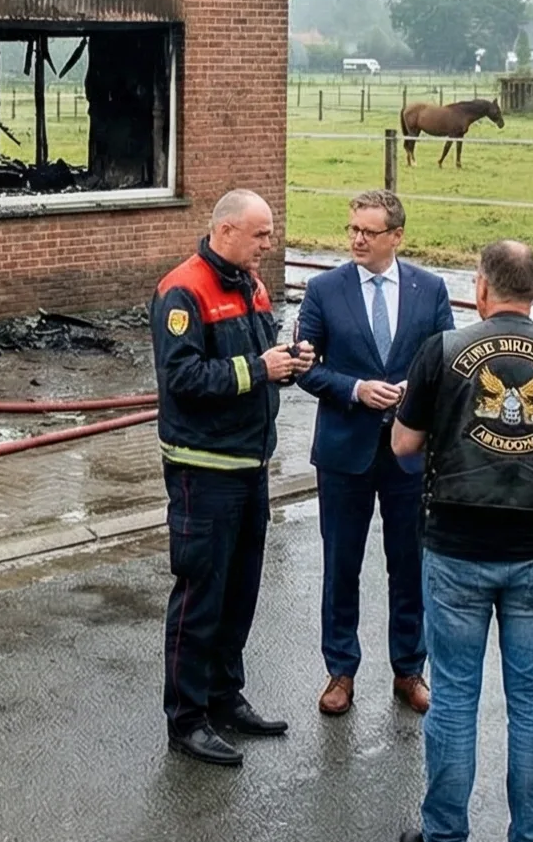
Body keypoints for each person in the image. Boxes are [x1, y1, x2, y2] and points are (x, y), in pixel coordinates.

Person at [393, 240, 533, 842]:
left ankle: (444, 832)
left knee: (454, 697)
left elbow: (403, 444)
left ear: (481, 288)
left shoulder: (441, 350)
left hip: (457, 542)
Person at [151, 188, 309, 766]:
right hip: (204, 470)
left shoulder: (252, 285)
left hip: (250, 464)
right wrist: (258, 368)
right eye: (260, 233)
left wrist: (288, 364)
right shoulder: (183, 290)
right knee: (200, 595)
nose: (269, 243)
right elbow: (183, 378)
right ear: (225, 231)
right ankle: (186, 719)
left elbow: (259, 363)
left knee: (239, 592)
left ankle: (224, 697)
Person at [297, 189, 451, 718]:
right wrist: (355, 389)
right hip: (345, 451)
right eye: (353, 230)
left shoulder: (430, 289)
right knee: (341, 563)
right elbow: (306, 368)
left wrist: (415, 391)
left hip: (408, 451)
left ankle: (409, 669)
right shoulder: (323, 290)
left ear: (397, 236)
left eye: (369, 231)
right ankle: (340, 670)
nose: (358, 239)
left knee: (409, 563)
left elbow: (446, 359)